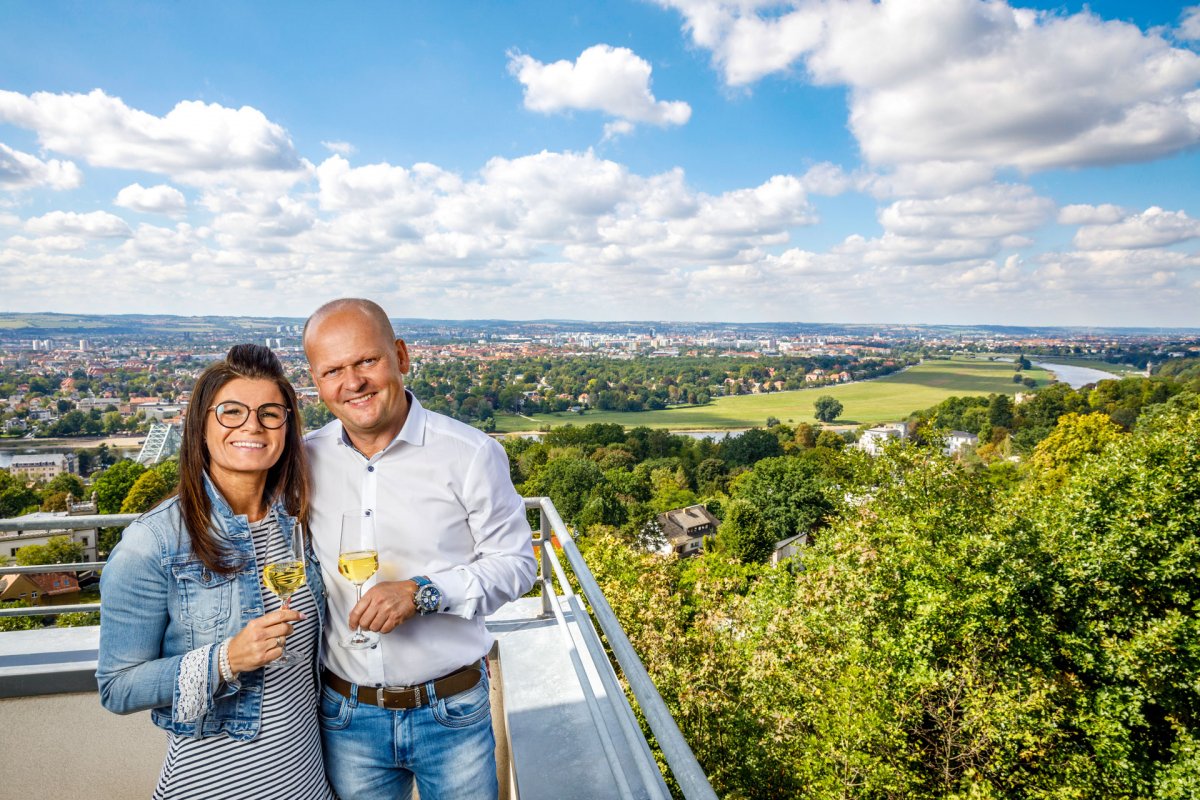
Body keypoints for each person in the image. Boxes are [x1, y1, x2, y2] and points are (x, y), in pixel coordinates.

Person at [303, 298, 537, 800]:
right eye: (333, 370)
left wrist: (424, 592)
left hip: (449, 713)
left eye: (366, 361)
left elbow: (518, 566)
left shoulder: (471, 453)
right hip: (345, 717)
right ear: (317, 381)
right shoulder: (304, 460)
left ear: (401, 357)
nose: (353, 382)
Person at [97, 344, 333, 800]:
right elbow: (118, 687)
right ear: (201, 425)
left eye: (270, 412)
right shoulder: (154, 541)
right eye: (231, 411)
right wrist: (227, 659)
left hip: (307, 785)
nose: (252, 425)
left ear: (286, 426)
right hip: (211, 788)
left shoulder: (301, 524)